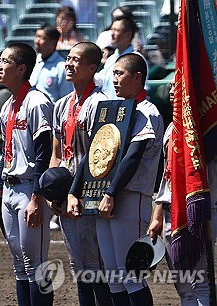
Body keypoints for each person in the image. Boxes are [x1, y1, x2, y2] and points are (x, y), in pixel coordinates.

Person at [68, 53, 164, 305]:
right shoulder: (115, 110)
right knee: (113, 276)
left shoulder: (147, 111)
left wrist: (109, 193)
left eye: (120, 74)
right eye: (113, 74)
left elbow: (132, 158)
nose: (115, 79)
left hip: (130, 198)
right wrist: (75, 191)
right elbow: (92, 156)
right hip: (104, 198)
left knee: (132, 275)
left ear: (138, 77)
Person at [50, 42, 112, 306]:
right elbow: (56, 153)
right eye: (68, 58)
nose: (69, 63)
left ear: (91, 67)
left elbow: (101, 157)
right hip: (67, 195)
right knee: (79, 265)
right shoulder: (62, 104)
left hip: (91, 193)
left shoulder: (102, 104)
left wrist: (76, 193)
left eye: (76, 60)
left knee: (96, 264)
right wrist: (54, 191)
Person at [0, 42, 54, 305]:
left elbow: (44, 152)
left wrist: (37, 197)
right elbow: (7, 150)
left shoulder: (37, 101)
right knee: (19, 265)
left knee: (36, 266)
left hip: (30, 188)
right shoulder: (7, 105)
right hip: (9, 187)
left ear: (21, 69)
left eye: (6, 62)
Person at [147, 78, 202, 305]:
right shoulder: (170, 128)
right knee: (183, 286)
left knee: (201, 283)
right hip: (171, 210)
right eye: (170, 89)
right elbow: (166, 176)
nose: (171, 93)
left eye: (177, 90)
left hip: (196, 208)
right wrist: (157, 215)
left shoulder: (202, 129)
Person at [95, 14, 147, 100]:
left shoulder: (137, 59)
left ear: (128, 34)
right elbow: (101, 80)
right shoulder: (111, 59)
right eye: (112, 29)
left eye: (116, 30)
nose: (112, 34)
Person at [30, 23, 74, 105]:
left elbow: (66, 99)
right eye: (36, 36)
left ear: (53, 43)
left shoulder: (61, 67)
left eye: (42, 38)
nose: (37, 41)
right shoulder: (33, 62)